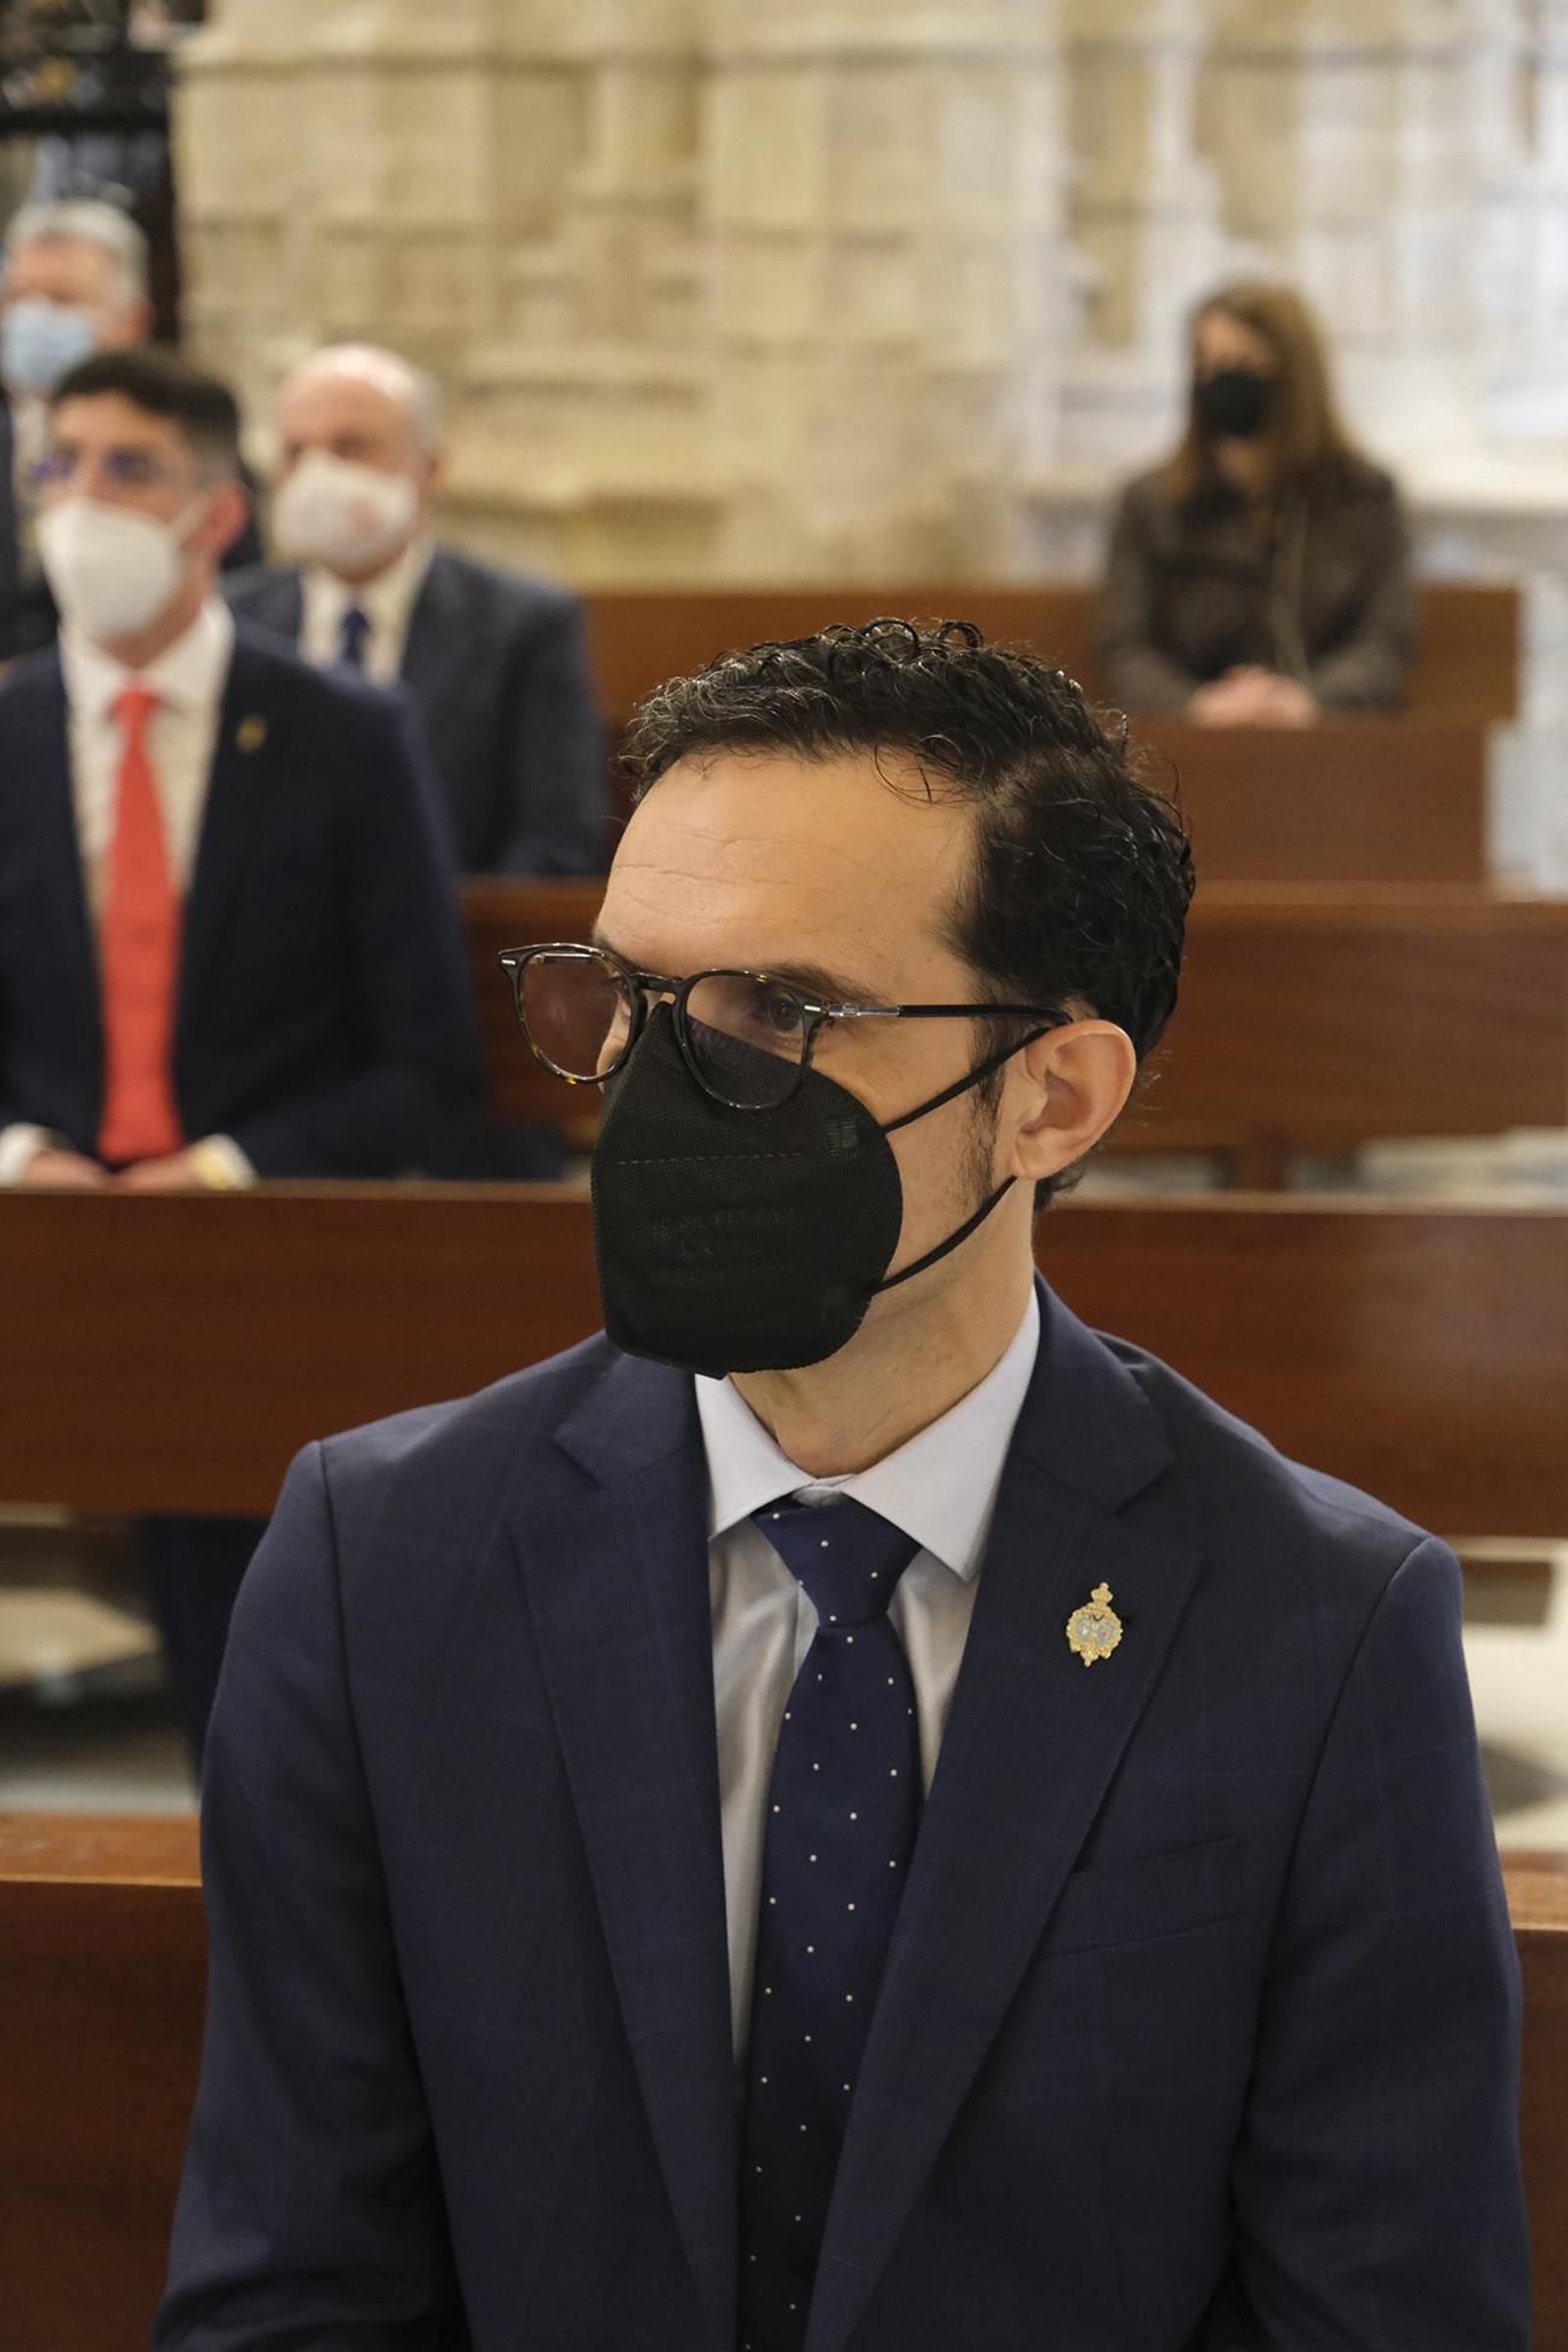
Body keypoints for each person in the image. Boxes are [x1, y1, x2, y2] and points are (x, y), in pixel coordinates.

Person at [157, 620, 1528, 2351]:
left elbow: (1382, 2314)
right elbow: (297, 2286)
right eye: (633, 998)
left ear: (1053, 1095)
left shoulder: (1318, 1627)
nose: (666, 1090)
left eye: (779, 1011)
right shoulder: (384, 1564)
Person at [0, 345, 484, 1761]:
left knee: (268, 1660)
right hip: (42, 1230)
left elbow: (429, 1062)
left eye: (127, 467)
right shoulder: (10, 730)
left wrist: (218, 1171)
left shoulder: (344, 734)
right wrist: (30, 1158)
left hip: (265, 1230)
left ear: (219, 513)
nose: (82, 500)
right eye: (59, 463)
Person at [227, 342, 606, 874]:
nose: (316, 475)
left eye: (350, 447)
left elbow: (556, 838)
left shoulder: (523, 625)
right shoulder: (230, 619)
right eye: (295, 452)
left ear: (427, 467)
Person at [1098, 280, 1416, 725]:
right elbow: (1125, 647)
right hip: (1187, 744)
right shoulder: (1151, 504)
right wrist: (1203, 706)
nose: (1223, 379)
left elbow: (1383, 643)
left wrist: (1305, 703)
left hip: (1329, 744)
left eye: (1245, 362)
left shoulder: (1365, 498)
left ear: (1294, 374)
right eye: (1208, 363)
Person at [0, 198, 261, 662]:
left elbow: (236, 592)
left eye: (62, 299)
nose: (33, 318)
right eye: (18, 298)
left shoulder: (189, 437)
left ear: (132, 320)